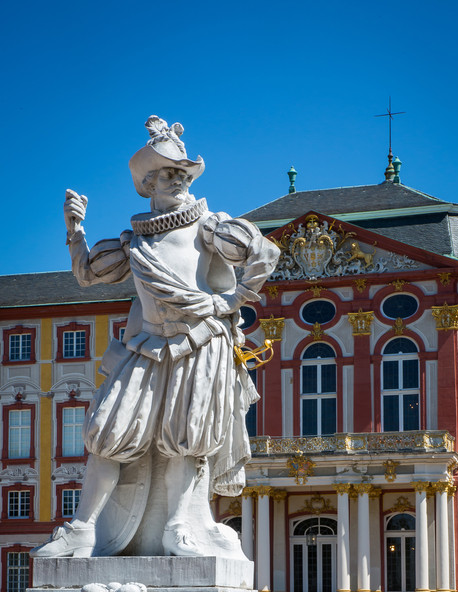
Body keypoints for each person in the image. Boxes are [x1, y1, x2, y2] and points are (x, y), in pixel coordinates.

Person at [32, 116, 279, 559]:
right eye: (169, 172)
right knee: (108, 430)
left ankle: (179, 525)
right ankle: (83, 528)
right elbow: (88, 274)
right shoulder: (134, 242)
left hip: (199, 344)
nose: (179, 180)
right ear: (148, 183)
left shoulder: (211, 226)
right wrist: (76, 231)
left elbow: (266, 253)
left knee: (186, 437)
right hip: (145, 348)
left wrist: (232, 300)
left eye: (184, 173)